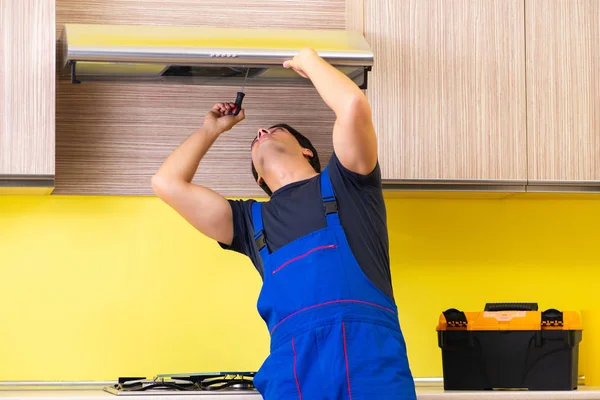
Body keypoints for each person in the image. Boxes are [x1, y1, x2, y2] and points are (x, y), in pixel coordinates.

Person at [152, 48, 417, 400]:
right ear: (258, 179)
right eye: (255, 138)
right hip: (292, 380)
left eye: (275, 129)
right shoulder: (248, 223)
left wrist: (308, 60)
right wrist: (210, 128)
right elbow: (167, 184)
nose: (261, 130)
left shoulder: (349, 182)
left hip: (371, 370)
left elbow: (352, 107)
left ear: (308, 151)